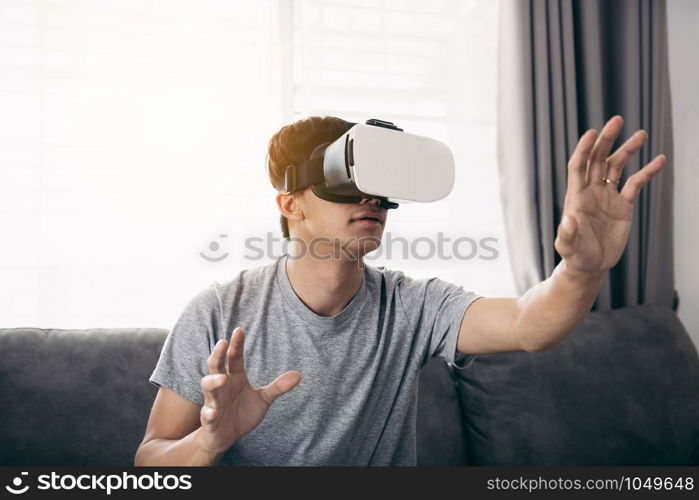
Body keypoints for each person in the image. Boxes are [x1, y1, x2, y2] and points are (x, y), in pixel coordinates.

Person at [134, 115, 666, 466]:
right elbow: (148, 459)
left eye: (379, 183)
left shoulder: (411, 304)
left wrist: (580, 270)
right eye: (345, 180)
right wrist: (209, 441)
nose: (370, 198)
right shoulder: (217, 312)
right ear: (291, 204)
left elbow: (530, 326)